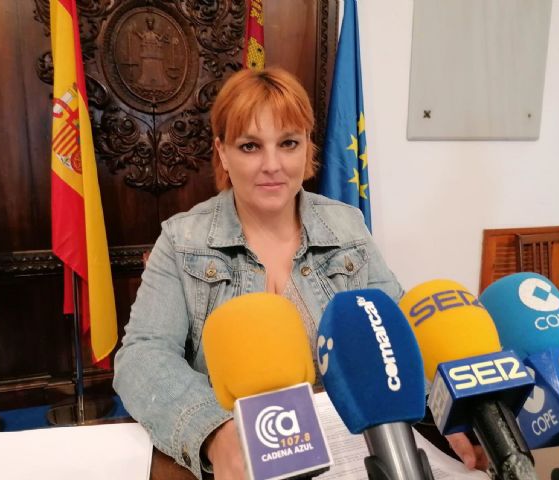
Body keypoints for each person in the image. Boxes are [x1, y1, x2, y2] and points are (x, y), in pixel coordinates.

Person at [113, 67, 485, 479]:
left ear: (307, 146)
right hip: (243, 463)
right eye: (250, 146)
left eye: (288, 143)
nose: (272, 165)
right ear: (222, 152)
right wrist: (214, 432)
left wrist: (448, 408)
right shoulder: (182, 240)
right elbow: (142, 356)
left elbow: (397, 332)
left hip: (351, 453)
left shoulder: (347, 226)